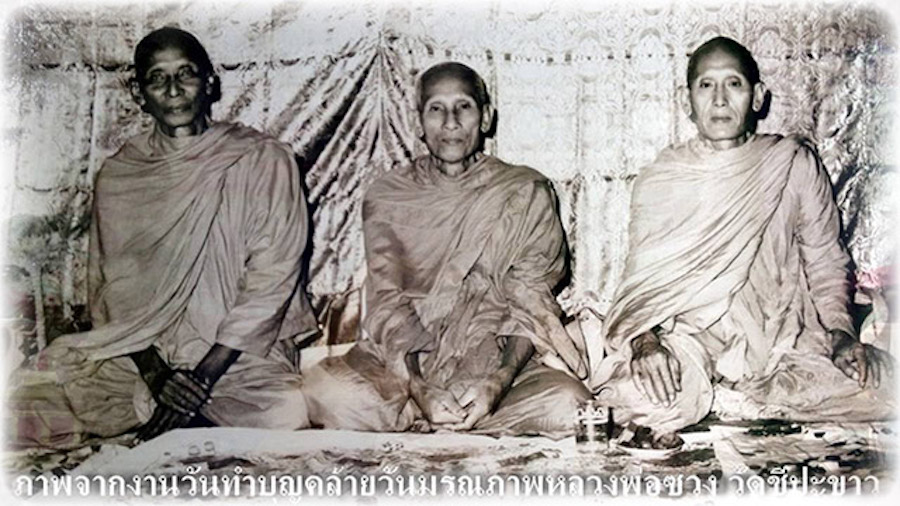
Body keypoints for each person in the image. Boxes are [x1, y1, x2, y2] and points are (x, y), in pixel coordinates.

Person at [8, 27, 317, 448]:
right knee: (28, 407)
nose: (173, 90)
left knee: (285, 411)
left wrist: (201, 380)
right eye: (157, 78)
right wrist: (157, 375)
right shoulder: (120, 175)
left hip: (235, 357)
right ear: (139, 93)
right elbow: (112, 290)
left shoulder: (263, 159)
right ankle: (176, 412)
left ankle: (178, 415)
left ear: (209, 83)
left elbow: (272, 281)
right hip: (143, 354)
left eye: (185, 74)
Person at [593, 36, 894, 449]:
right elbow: (640, 287)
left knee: (883, 388)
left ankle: (738, 400)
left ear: (758, 97)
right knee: (636, 400)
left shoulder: (793, 164)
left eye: (733, 84)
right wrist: (646, 342)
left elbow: (825, 260)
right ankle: (726, 398)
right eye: (705, 86)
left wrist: (841, 334)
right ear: (687, 102)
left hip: (784, 340)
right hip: (692, 341)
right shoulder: (661, 180)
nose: (719, 99)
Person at [301, 62, 591, 437]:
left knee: (570, 405)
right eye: (436, 108)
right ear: (419, 123)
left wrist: (497, 383)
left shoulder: (524, 190)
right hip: (407, 362)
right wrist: (418, 387)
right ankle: (440, 415)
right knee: (326, 394)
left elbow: (530, 307)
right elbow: (387, 303)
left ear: (485, 117)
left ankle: (457, 414)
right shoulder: (389, 195)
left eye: (464, 106)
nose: (450, 121)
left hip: (496, 355)